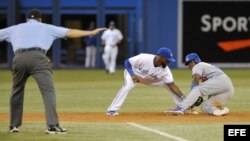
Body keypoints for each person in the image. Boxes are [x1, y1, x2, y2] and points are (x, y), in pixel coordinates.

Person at [0, 9, 106, 134]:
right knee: (48, 91)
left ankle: (14, 125)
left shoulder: (15, 28)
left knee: (16, 90)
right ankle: (52, 126)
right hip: (38, 58)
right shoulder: (47, 27)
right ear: (40, 19)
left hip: (18, 58)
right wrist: (91, 32)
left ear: (27, 20)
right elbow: (71, 33)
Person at [106, 47, 186, 116]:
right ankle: (112, 110)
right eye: (167, 60)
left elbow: (172, 85)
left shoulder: (166, 71)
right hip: (133, 74)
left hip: (149, 79)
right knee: (129, 86)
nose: (169, 62)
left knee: (168, 84)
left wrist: (184, 98)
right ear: (160, 57)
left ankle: (182, 106)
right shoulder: (144, 57)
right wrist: (133, 75)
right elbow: (127, 62)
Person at [165, 53, 234, 116]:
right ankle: (218, 111)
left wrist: (192, 100)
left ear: (196, 61)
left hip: (221, 80)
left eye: (190, 62)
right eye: (187, 64)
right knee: (206, 106)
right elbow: (212, 90)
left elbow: (195, 81)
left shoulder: (199, 65)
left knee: (197, 89)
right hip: (228, 90)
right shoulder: (206, 68)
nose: (188, 65)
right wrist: (193, 98)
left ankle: (181, 108)